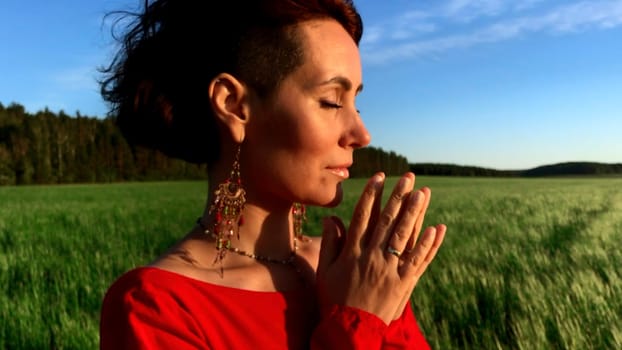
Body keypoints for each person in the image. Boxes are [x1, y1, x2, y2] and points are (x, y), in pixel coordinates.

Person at [99, 0, 447, 349]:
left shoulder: (360, 268)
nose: (361, 134)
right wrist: (358, 322)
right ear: (235, 105)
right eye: (331, 101)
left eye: (356, 102)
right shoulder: (156, 307)